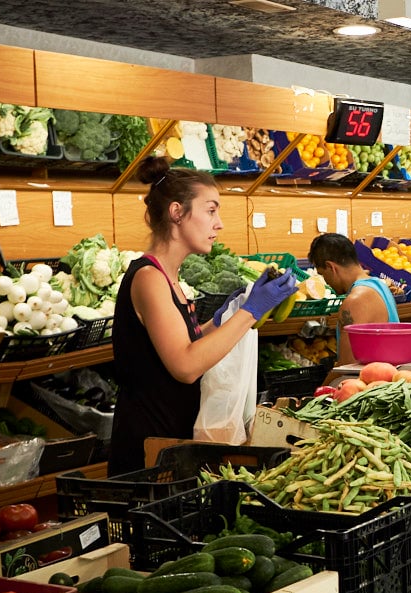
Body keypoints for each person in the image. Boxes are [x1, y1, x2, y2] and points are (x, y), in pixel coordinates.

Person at [110, 157, 297, 476]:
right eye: (211, 210)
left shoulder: (170, 278)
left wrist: (222, 320)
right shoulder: (149, 278)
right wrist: (250, 312)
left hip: (172, 445)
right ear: (177, 212)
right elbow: (185, 366)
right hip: (148, 455)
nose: (219, 223)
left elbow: (187, 346)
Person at [308, 233, 400, 365]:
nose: (326, 281)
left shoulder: (355, 301)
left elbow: (348, 366)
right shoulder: (380, 285)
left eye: (323, 274)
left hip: (370, 382)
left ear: (330, 267)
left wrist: (323, 386)